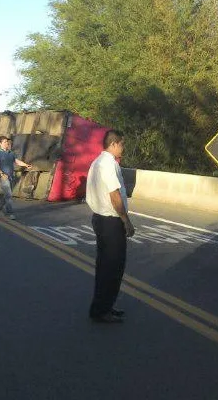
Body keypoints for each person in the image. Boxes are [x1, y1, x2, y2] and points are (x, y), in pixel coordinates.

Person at [85, 129, 135, 323]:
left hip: (100, 219)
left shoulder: (97, 162)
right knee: (113, 268)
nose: (123, 147)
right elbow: (115, 196)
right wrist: (126, 221)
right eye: (122, 144)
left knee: (105, 266)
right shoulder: (108, 164)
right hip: (110, 221)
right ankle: (101, 310)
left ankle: (103, 306)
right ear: (113, 144)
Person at [0, 136, 32, 220]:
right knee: (9, 195)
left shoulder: (11, 153)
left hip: (10, 176)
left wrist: (25, 165)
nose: (7, 143)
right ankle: (9, 213)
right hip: (2, 177)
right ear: (0, 144)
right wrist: (1, 173)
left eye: (7, 142)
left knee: (7, 194)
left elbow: (16, 161)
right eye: (5, 142)